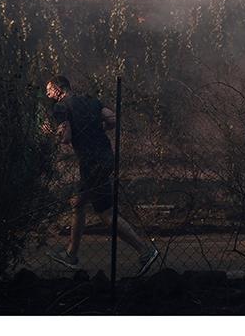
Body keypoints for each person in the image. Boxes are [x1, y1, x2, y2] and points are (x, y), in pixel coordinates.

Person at [44, 75, 159, 276]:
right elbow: (113, 118)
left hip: (91, 163)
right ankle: (71, 254)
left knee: (105, 213)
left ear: (58, 88)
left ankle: (145, 251)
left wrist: (51, 132)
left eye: (49, 89)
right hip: (105, 158)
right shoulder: (90, 101)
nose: (47, 93)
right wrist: (99, 128)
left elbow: (65, 138)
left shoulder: (60, 108)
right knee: (79, 204)